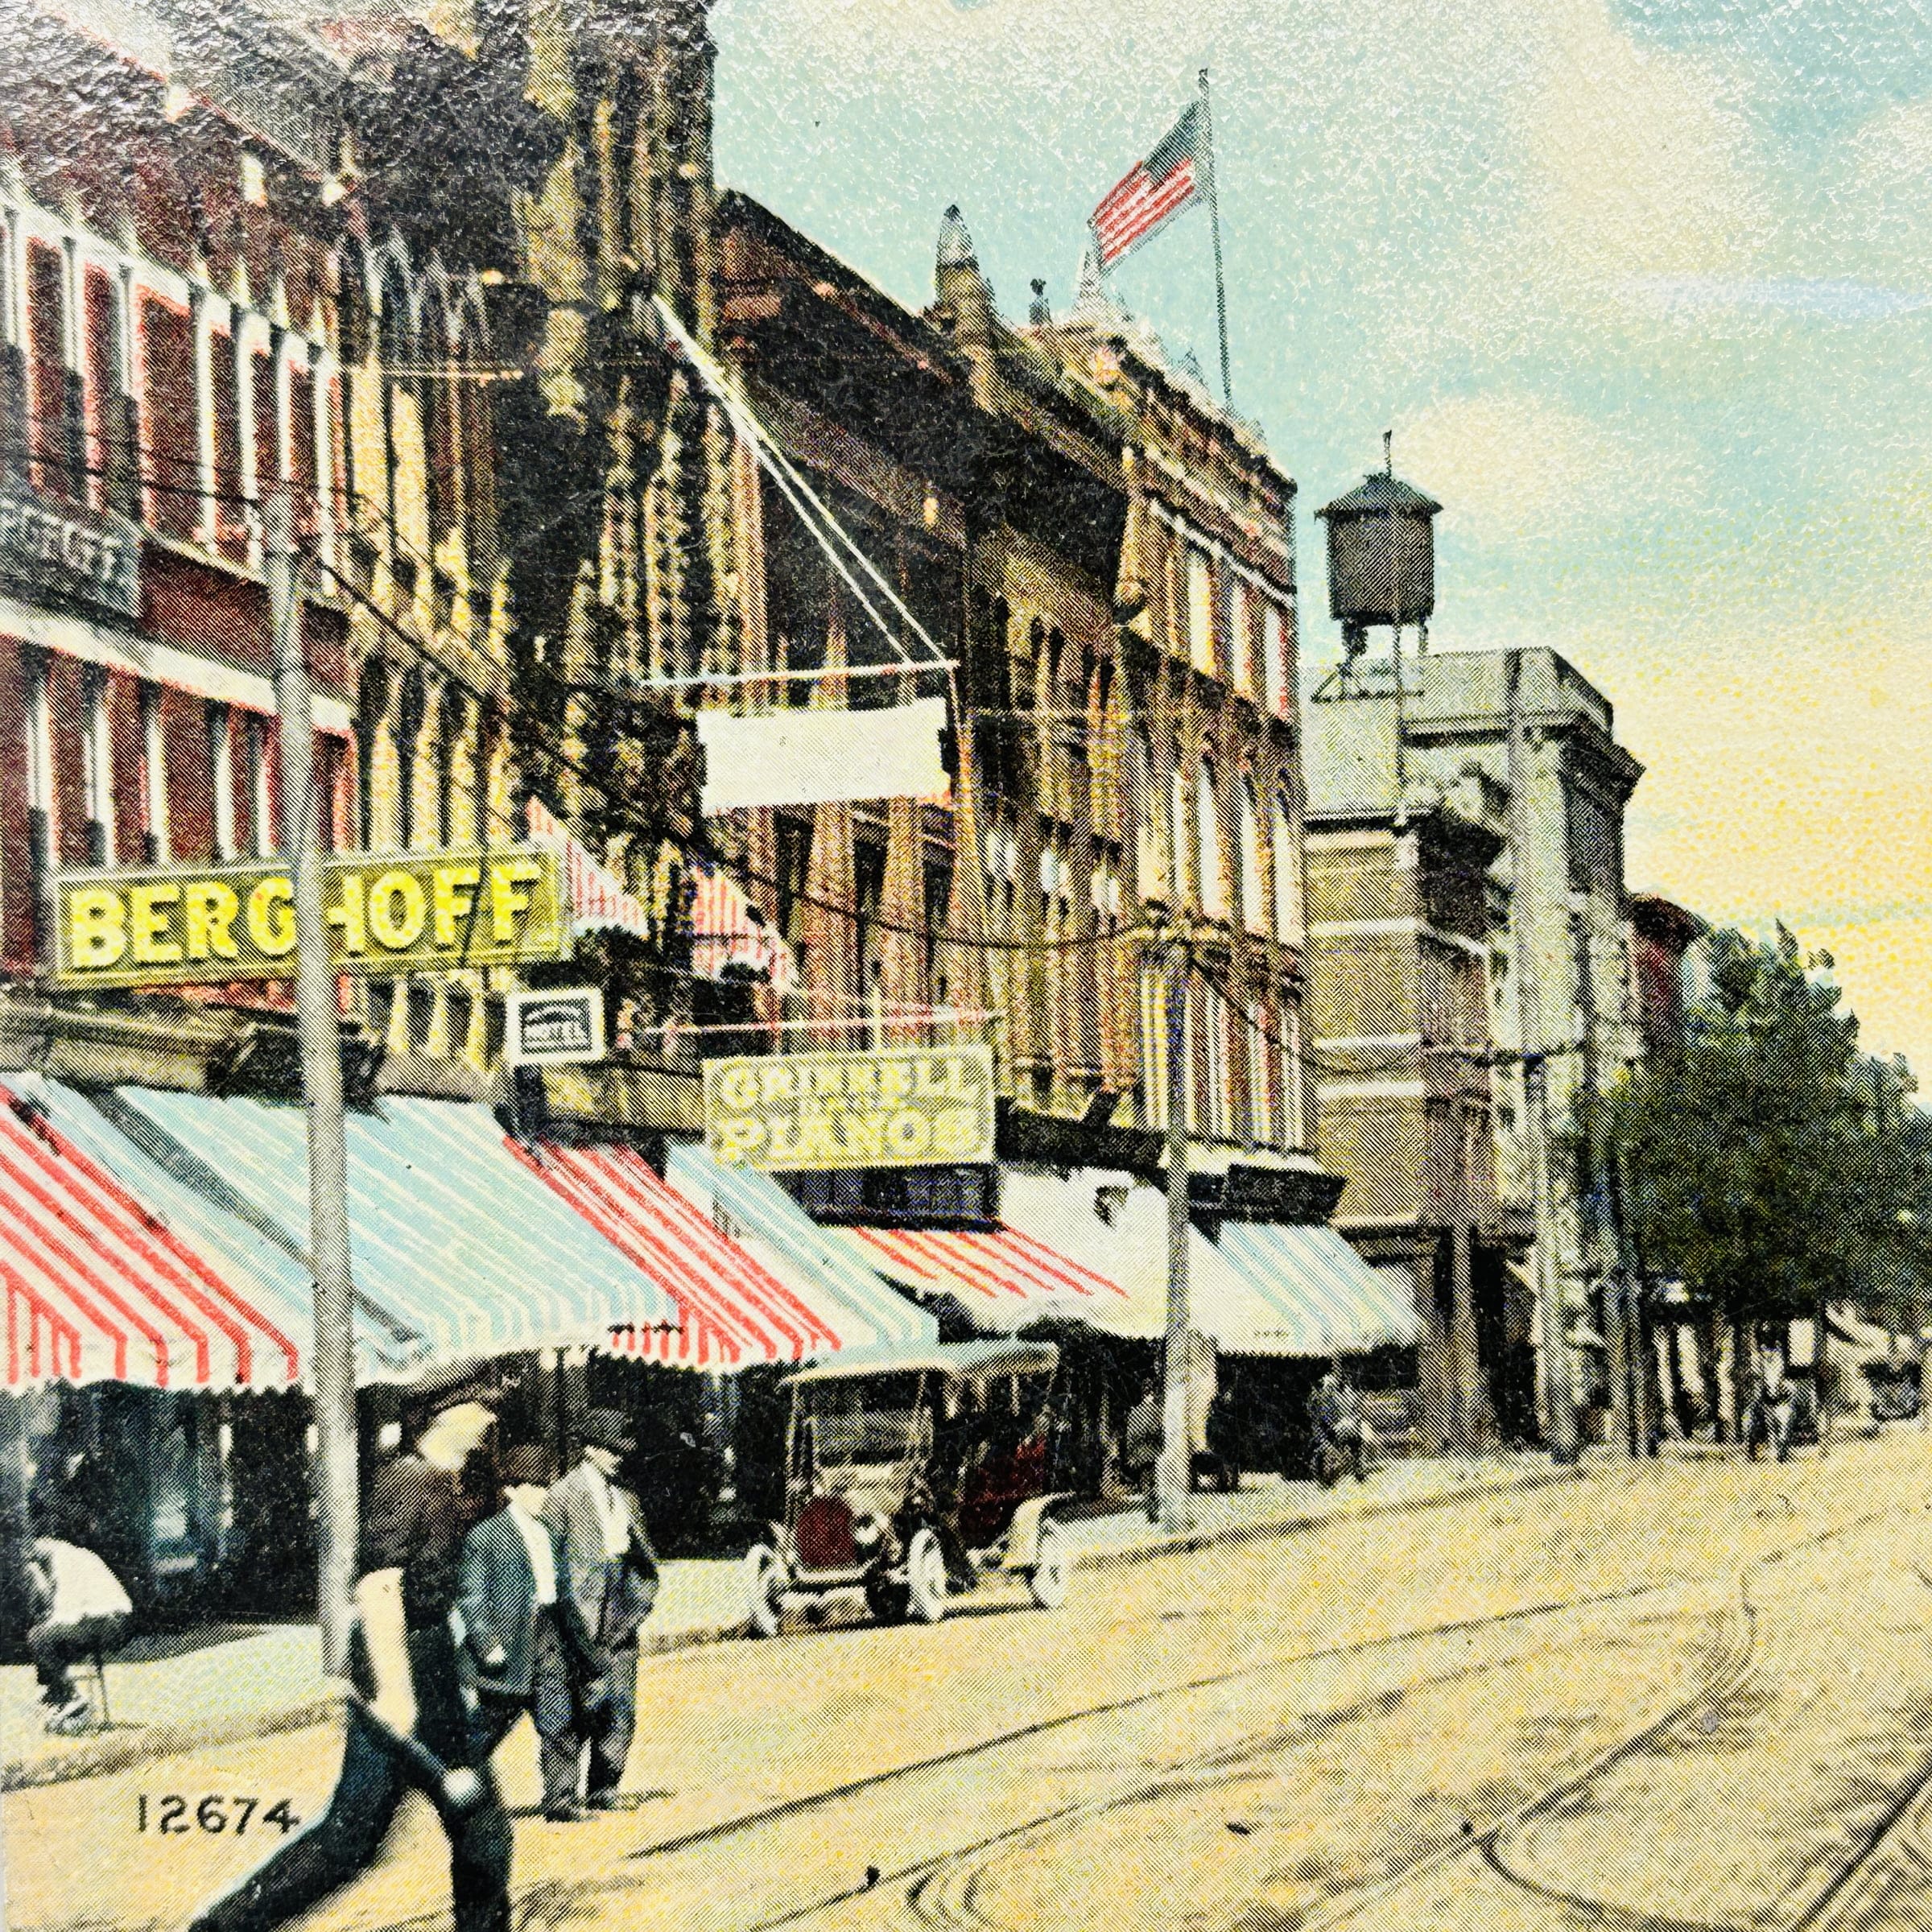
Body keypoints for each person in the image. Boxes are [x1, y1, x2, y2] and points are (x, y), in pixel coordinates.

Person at [189, 1373, 512, 1932]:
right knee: (349, 1841)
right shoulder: (406, 1483)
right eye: (481, 1408)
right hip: (399, 1663)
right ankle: (222, 1927)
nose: (489, 1420)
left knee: (481, 1831)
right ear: (445, 1413)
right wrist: (395, 1690)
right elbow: (376, 1588)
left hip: (428, 1664)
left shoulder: (443, 1480)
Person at [459, 1446, 601, 1823]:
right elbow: (472, 1596)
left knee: (560, 1721)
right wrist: (486, 1644)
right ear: (511, 1490)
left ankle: (561, 1801)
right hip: (508, 1646)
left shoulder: (551, 1533)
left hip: (550, 1635)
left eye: (546, 1487)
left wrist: (582, 1646)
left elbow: (564, 1591)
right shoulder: (487, 1536)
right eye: (534, 1487)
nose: (543, 1495)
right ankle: (449, 1790)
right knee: (485, 1730)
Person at [543, 1410, 658, 1810]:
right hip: (579, 1613)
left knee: (620, 1701)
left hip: (621, 1609)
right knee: (572, 1705)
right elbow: (548, 1559)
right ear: (590, 1450)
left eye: (622, 1450)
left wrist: (640, 1595)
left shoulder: (625, 1497)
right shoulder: (563, 1495)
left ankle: (604, 1786)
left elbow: (642, 1553)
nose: (619, 1457)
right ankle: (561, 1795)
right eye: (612, 1449)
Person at [26, 1536, 133, 1734]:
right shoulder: (79, 1554)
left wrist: (47, 1622)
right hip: (112, 1622)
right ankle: (59, 1693)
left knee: (38, 1637)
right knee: (51, 1638)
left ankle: (71, 1697)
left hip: (106, 1622)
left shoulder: (63, 1561)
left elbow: (66, 1612)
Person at [1309, 1369, 1370, 1484]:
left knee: (1355, 1439)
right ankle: (1356, 1469)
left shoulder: (1345, 1394)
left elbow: (1355, 1411)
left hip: (1342, 1428)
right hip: (1332, 1432)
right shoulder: (1325, 1397)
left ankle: (1359, 1469)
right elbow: (1324, 1419)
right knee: (1352, 1438)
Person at [1123, 1381, 1163, 1523]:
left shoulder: (1135, 1412)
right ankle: (1154, 1511)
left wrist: (1131, 1454)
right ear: (1152, 1393)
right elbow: (1161, 1432)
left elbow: (1130, 1436)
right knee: (1154, 1483)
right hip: (1154, 1452)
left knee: (1146, 1483)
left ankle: (1150, 1512)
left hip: (1141, 1453)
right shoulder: (1158, 1411)